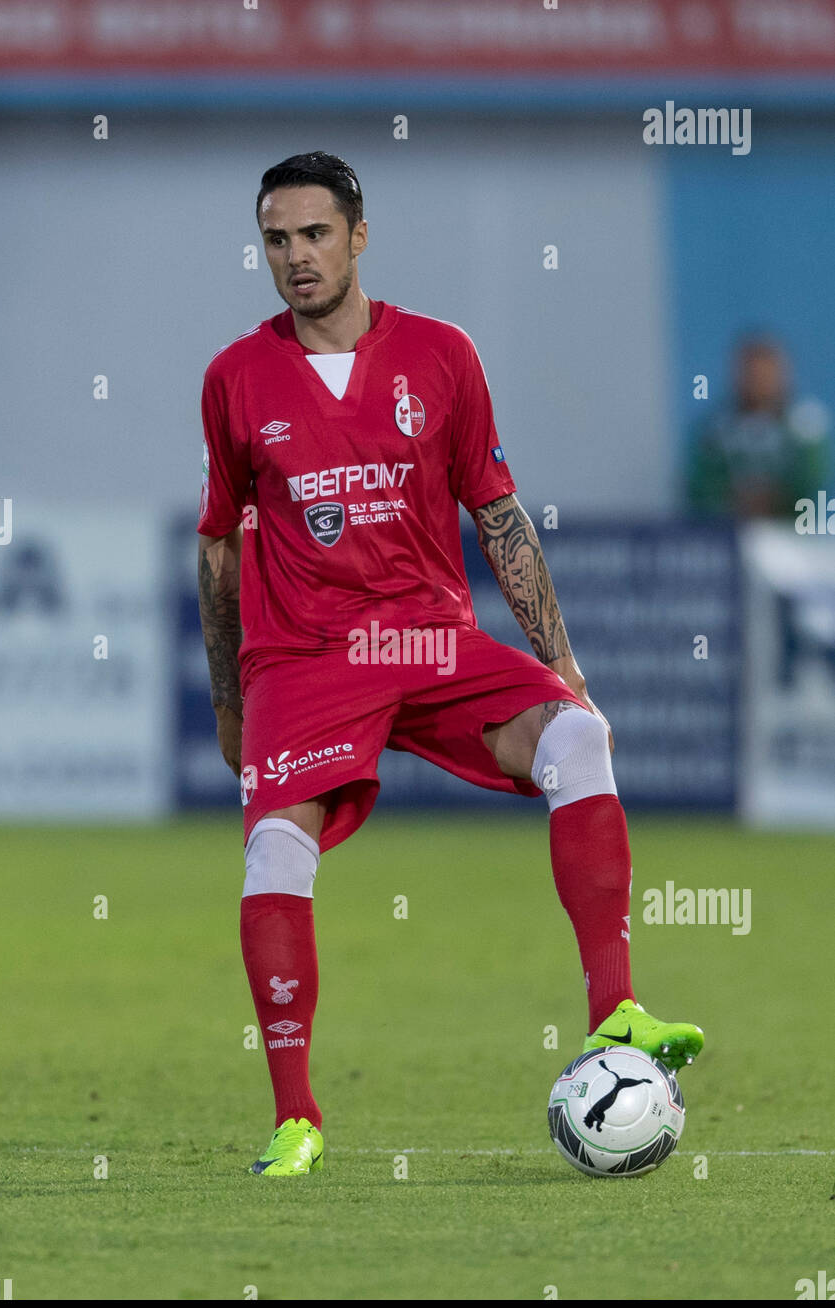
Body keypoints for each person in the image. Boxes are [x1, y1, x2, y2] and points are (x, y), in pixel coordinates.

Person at [197, 152, 703, 1178]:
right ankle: (296, 1117)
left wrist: (563, 665)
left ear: (359, 236)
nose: (295, 257)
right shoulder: (235, 379)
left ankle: (617, 1009)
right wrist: (227, 698)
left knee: (576, 735)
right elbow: (218, 544)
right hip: (300, 655)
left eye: (314, 235)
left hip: (423, 638)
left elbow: (500, 516)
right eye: (277, 239)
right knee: (274, 854)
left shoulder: (440, 356)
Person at [687, 334, 830, 518]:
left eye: (766, 373)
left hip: (796, 535)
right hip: (730, 532)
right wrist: (733, 497)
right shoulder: (715, 428)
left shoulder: (807, 424)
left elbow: (815, 482)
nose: (758, 381)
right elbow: (699, 486)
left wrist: (776, 498)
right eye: (751, 372)